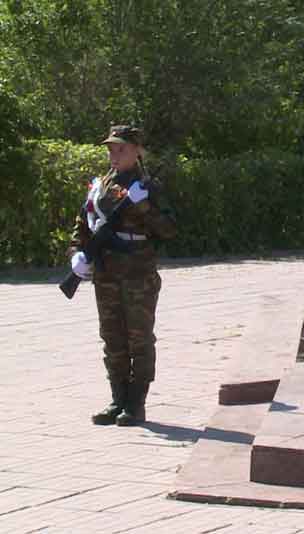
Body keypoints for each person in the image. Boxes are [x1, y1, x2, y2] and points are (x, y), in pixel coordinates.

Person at [67, 125, 177, 426]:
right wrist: (77, 252)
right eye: (111, 149)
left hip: (137, 274)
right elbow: (84, 223)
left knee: (139, 338)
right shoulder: (101, 184)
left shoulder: (147, 185)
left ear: (137, 151)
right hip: (105, 273)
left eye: (121, 148)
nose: (114, 154)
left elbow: (168, 229)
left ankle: (136, 404)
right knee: (112, 337)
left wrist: (142, 204)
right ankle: (117, 399)